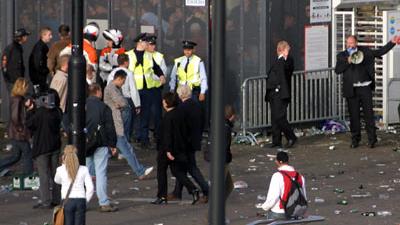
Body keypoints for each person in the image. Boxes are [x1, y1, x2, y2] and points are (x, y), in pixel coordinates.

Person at [335, 35, 399, 148]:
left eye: (352, 43)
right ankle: (355, 139)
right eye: (348, 43)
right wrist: (348, 61)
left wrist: (392, 43)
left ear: (356, 43)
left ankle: (372, 139)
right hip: (352, 90)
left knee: (368, 114)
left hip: (365, 88)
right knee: (354, 116)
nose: (350, 45)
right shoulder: (342, 56)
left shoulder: (365, 51)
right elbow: (338, 70)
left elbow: (379, 52)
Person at [104, 70, 154, 179]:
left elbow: (120, 103)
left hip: (115, 125)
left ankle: (93, 173)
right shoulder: (112, 88)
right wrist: (122, 104)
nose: (124, 83)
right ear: (119, 79)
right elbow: (123, 102)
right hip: (116, 126)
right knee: (127, 150)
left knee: (111, 151)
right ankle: (140, 172)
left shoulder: (115, 88)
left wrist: (120, 104)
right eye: (124, 81)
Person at [152, 92, 200, 205]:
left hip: (167, 149)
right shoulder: (180, 114)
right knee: (177, 172)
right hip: (180, 148)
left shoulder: (168, 117)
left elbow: (168, 134)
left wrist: (168, 150)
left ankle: (162, 195)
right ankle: (193, 189)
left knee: (161, 172)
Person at [169, 85, 209, 203]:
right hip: (194, 140)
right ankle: (177, 192)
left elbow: (181, 128)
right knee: (183, 167)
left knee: (190, 168)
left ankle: (206, 190)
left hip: (185, 142)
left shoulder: (182, 108)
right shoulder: (197, 105)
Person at [125, 33, 166, 148]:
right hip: (135, 89)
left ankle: (144, 140)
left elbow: (156, 67)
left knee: (145, 115)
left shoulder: (148, 55)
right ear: (139, 43)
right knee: (133, 114)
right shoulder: (129, 55)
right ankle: (133, 138)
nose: (147, 44)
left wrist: (161, 76)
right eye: (145, 42)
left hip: (148, 89)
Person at [26, 89, 62, 209]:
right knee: (55, 174)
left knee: (44, 175)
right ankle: (57, 199)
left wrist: (30, 111)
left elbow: (29, 124)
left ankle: (46, 201)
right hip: (55, 146)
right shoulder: (57, 112)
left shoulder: (40, 113)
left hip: (42, 147)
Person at [85, 84, 118, 212]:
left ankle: (83, 201)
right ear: (98, 92)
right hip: (101, 142)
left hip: (86, 144)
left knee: (85, 174)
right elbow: (110, 126)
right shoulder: (104, 107)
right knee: (101, 173)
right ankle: (103, 202)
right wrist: (113, 144)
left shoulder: (83, 105)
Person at [264, 41, 297, 149]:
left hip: (281, 93)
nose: (288, 53)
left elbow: (288, 68)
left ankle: (291, 136)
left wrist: (284, 57)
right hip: (273, 93)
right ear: (281, 50)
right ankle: (276, 140)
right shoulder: (278, 61)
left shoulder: (286, 61)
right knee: (274, 118)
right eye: (286, 50)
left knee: (280, 117)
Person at [0, 78, 33, 175]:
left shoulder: (17, 99)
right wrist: (21, 129)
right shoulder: (18, 99)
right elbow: (15, 117)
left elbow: (18, 114)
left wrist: (26, 107)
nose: (27, 89)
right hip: (18, 133)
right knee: (27, 153)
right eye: (26, 87)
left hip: (14, 132)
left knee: (16, 156)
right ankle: (28, 175)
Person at [54, 145, 94, 225]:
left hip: (67, 200)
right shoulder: (84, 169)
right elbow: (91, 188)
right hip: (81, 200)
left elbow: (57, 180)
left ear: (64, 156)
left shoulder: (60, 169)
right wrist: (86, 200)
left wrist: (63, 164)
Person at [261, 151, 306, 220]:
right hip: (296, 211)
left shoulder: (277, 176)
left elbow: (273, 197)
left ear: (278, 162)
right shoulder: (300, 177)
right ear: (288, 161)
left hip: (280, 212)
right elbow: (303, 196)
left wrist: (264, 207)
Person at [107, 54, 141, 140]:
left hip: (114, 101)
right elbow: (133, 90)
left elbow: (108, 88)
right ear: (126, 62)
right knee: (126, 127)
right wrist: (137, 105)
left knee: (116, 125)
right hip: (126, 101)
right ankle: (125, 144)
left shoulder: (112, 73)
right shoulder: (128, 73)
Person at [146, 35, 166, 140]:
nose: (152, 46)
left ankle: (157, 134)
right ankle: (143, 135)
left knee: (157, 113)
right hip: (144, 88)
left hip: (155, 89)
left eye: (153, 44)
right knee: (144, 113)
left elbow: (163, 72)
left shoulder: (159, 56)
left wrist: (152, 76)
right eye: (150, 44)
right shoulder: (142, 55)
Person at [29, 27, 53, 92]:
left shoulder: (41, 46)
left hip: (39, 77)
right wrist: (45, 71)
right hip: (39, 78)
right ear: (43, 35)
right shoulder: (40, 47)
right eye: (49, 35)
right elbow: (37, 63)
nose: (51, 37)